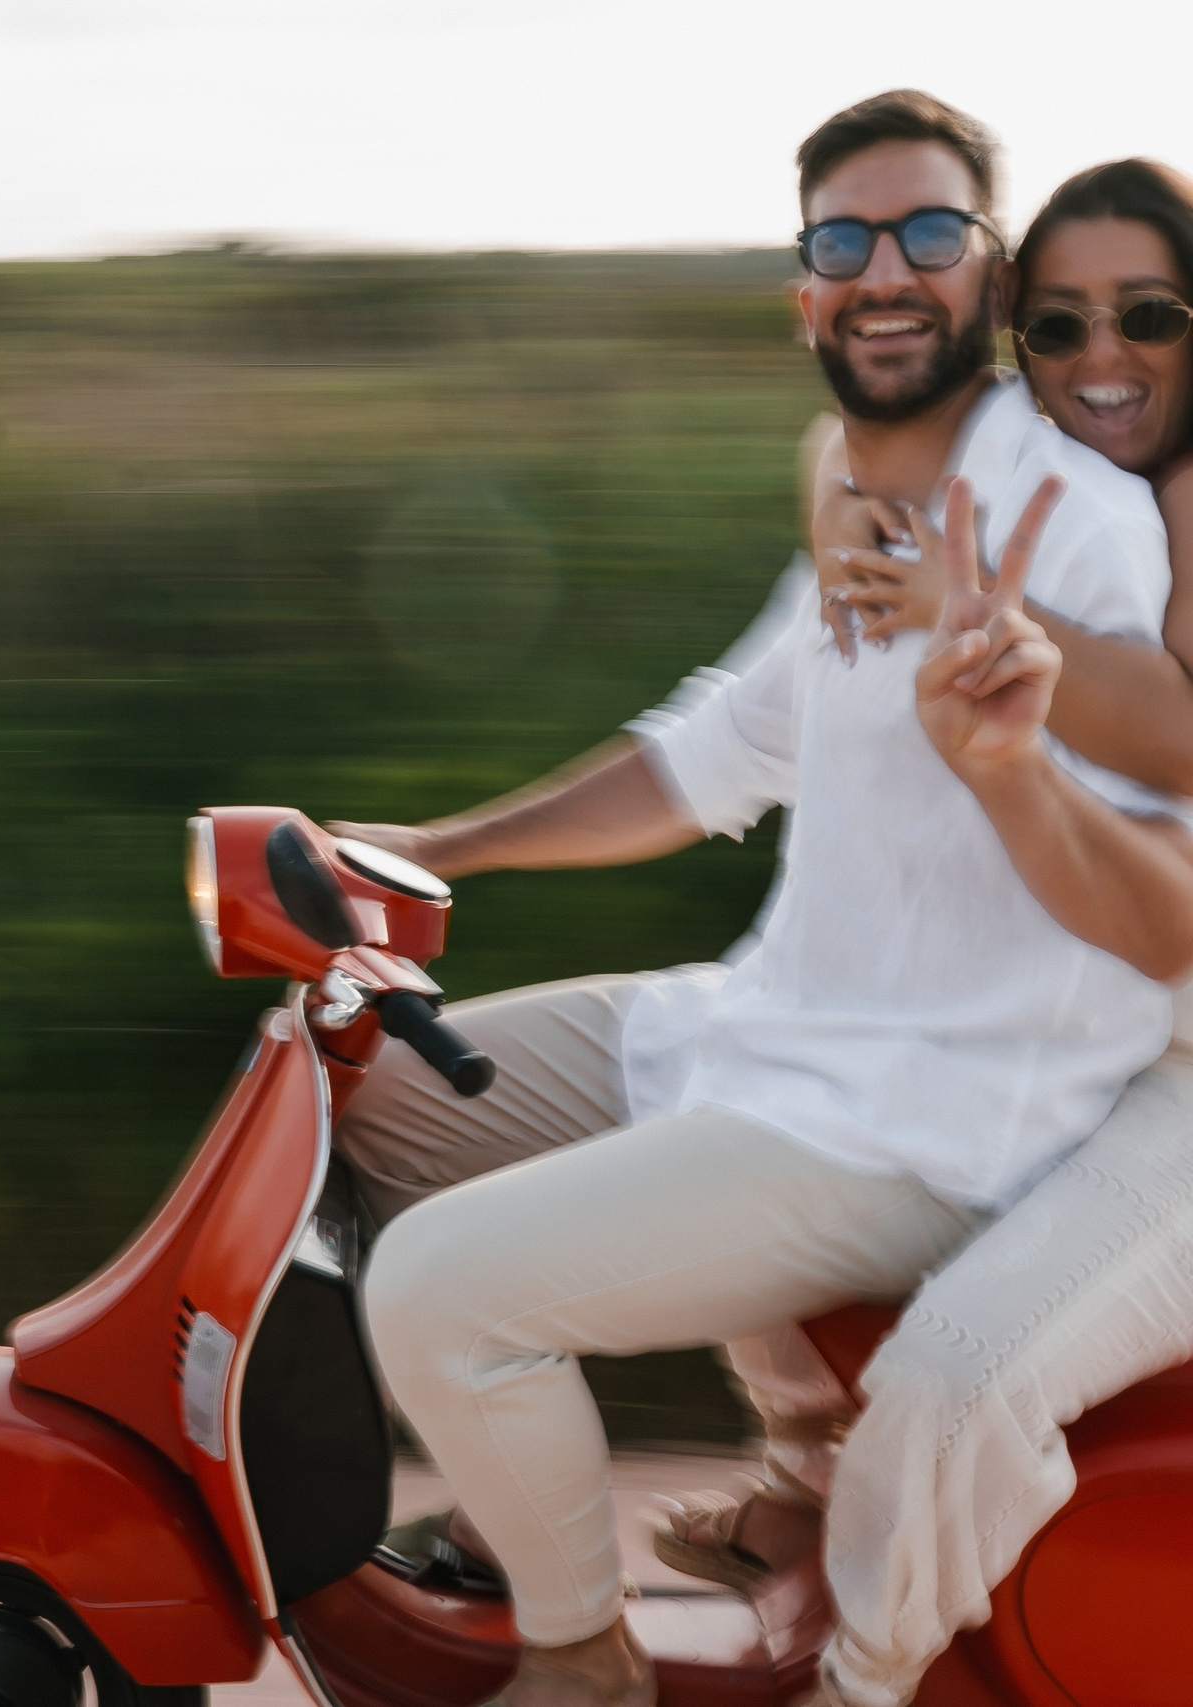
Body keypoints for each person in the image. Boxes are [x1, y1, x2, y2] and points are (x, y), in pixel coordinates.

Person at [336, 90, 1193, 1707]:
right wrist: (432, 846)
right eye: (846, 240)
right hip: (774, 1025)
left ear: (987, 279)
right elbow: (712, 756)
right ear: (801, 288)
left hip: (927, 1112)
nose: (888, 270)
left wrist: (1014, 727)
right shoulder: (861, 506)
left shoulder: (1055, 522)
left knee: (442, 1291)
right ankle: (565, 1495)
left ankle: (576, 1656)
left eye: (932, 234)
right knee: (363, 1087)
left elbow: (1158, 799)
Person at [640, 156, 1193, 1707]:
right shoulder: (1067, 509)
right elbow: (850, 462)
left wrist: (964, 606)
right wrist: (849, 495)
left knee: (957, 1376)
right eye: (1058, 326)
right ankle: (815, 1498)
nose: (1098, 363)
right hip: (1097, 1042)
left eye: (1147, 317)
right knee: (717, 1073)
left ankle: (866, 1681)